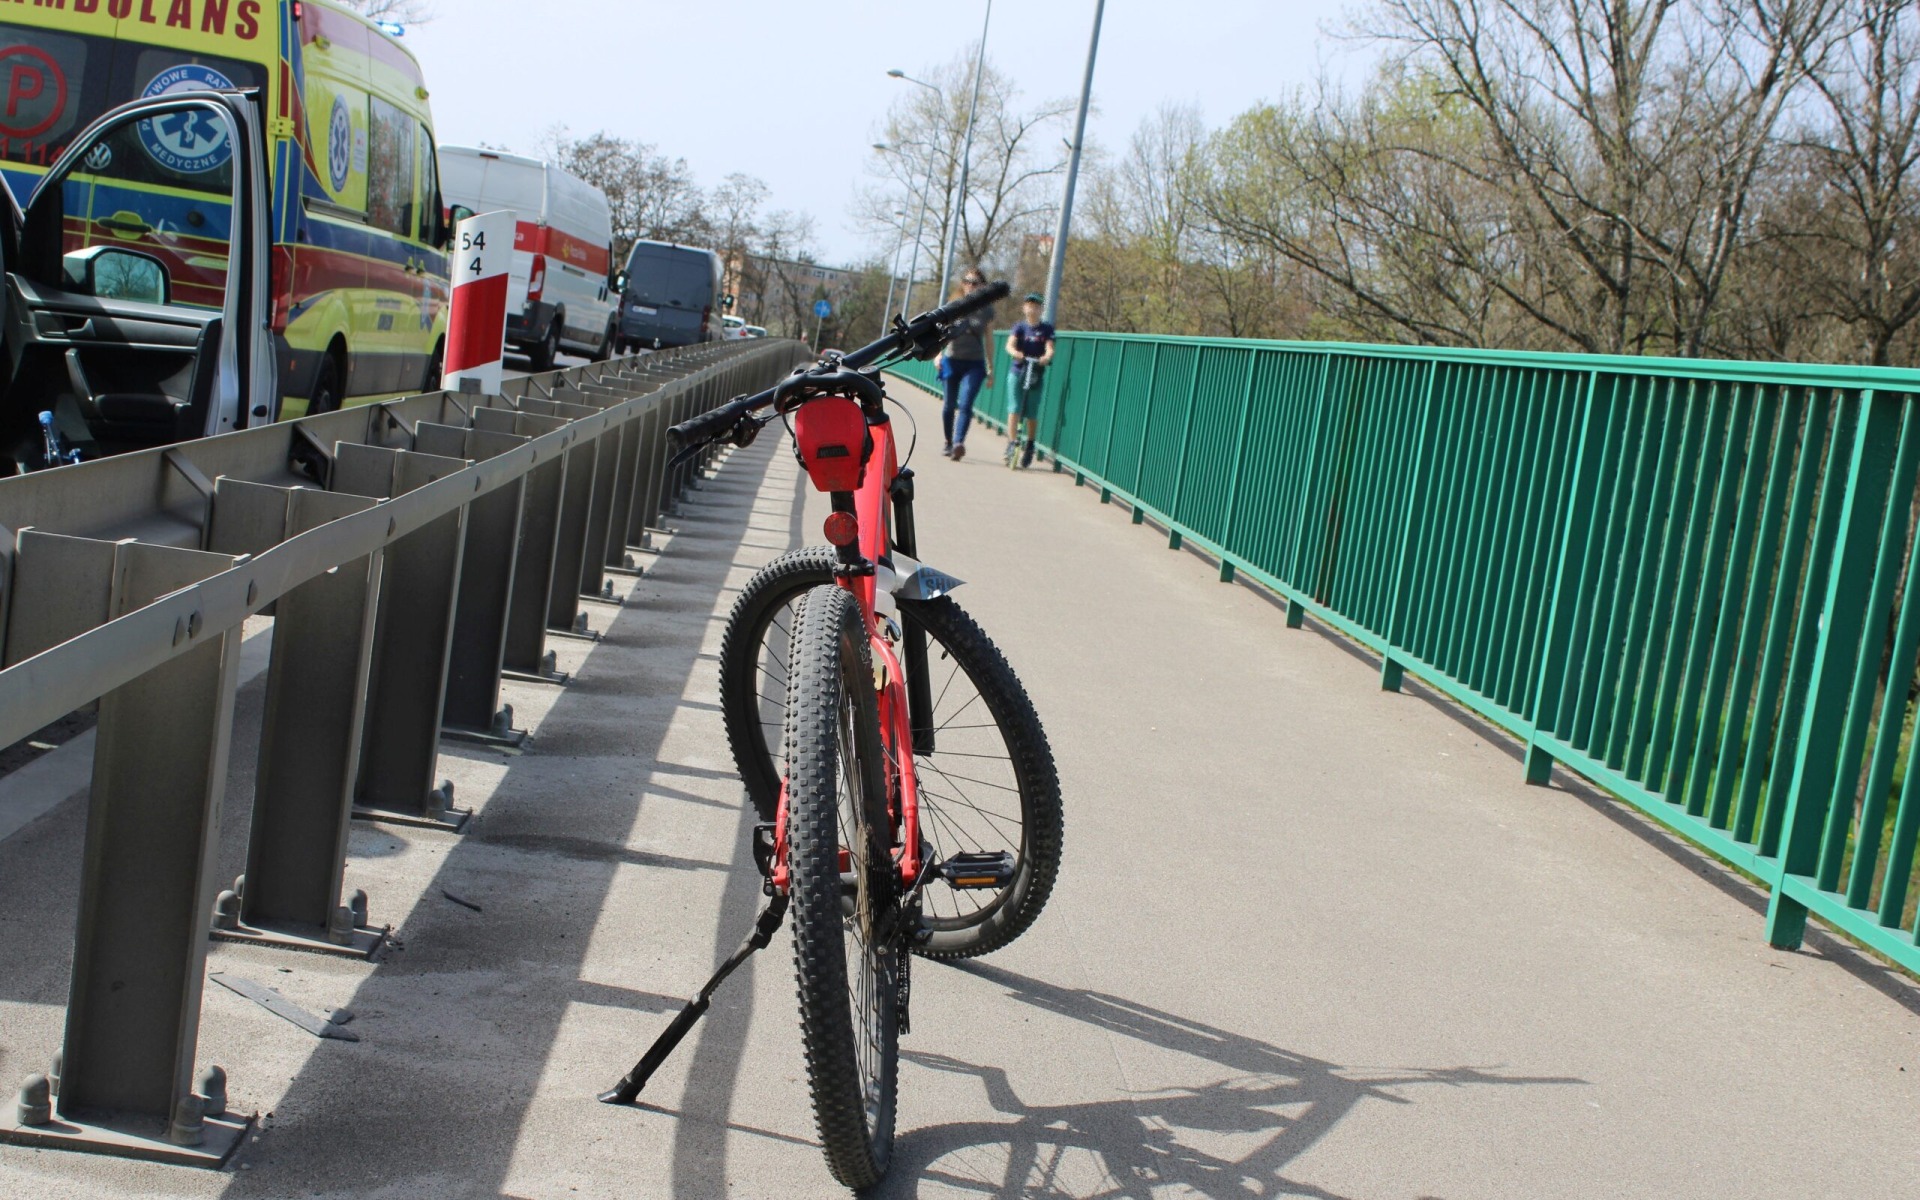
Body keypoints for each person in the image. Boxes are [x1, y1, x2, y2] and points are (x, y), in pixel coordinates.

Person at [933, 268, 994, 460]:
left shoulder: (987, 310)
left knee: (966, 404)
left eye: (975, 283)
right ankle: (948, 441)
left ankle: (959, 443)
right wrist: (937, 355)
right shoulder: (954, 305)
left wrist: (991, 367)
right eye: (967, 282)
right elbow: (940, 333)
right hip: (951, 359)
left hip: (974, 363)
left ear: (982, 286)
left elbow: (990, 339)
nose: (970, 286)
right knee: (949, 405)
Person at [1003, 292, 1055, 468]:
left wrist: (1046, 357)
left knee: (1031, 413)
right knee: (1014, 408)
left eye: (1036, 305)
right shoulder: (1019, 327)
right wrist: (1016, 352)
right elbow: (1009, 344)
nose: (1032, 308)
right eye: (1029, 304)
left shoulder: (1046, 329)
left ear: (1041, 309)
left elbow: (1049, 348)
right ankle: (1012, 443)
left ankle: (1030, 444)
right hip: (1018, 370)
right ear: (1024, 308)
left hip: (1035, 373)